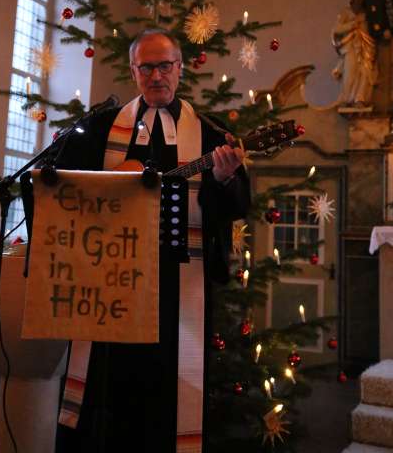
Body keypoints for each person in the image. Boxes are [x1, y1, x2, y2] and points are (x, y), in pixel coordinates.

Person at [46, 28, 250, 452]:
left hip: (176, 288)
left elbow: (236, 206)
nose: (157, 76)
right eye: (147, 67)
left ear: (179, 69)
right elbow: (58, 187)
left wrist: (223, 178)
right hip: (109, 286)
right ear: (133, 70)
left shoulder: (211, 136)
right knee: (107, 392)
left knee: (164, 399)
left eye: (165, 66)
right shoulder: (100, 128)